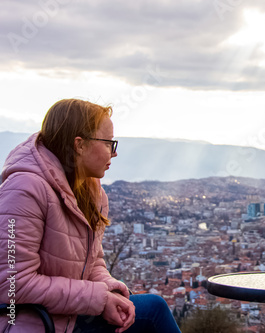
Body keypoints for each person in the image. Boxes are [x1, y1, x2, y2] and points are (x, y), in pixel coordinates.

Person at [0, 99, 181, 333]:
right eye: (109, 143)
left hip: (69, 315)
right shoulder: (25, 189)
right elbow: (11, 284)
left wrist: (110, 289)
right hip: (34, 323)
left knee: (147, 309)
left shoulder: (92, 192)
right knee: (153, 311)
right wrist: (98, 299)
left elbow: (92, 261)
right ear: (80, 145)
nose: (114, 153)